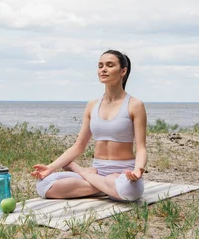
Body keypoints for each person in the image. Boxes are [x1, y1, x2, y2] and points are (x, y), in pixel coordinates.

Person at [31, 50, 147, 202]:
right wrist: (50, 168)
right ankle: (106, 188)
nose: (103, 69)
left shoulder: (135, 105)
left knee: (129, 190)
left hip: (122, 174)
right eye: (100, 66)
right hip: (98, 171)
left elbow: (141, 148)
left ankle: (82, 172)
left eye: (109, 65)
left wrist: (137, 171)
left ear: (123, 71)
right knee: (44, 185)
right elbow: (79, 146)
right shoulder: (92, 105)